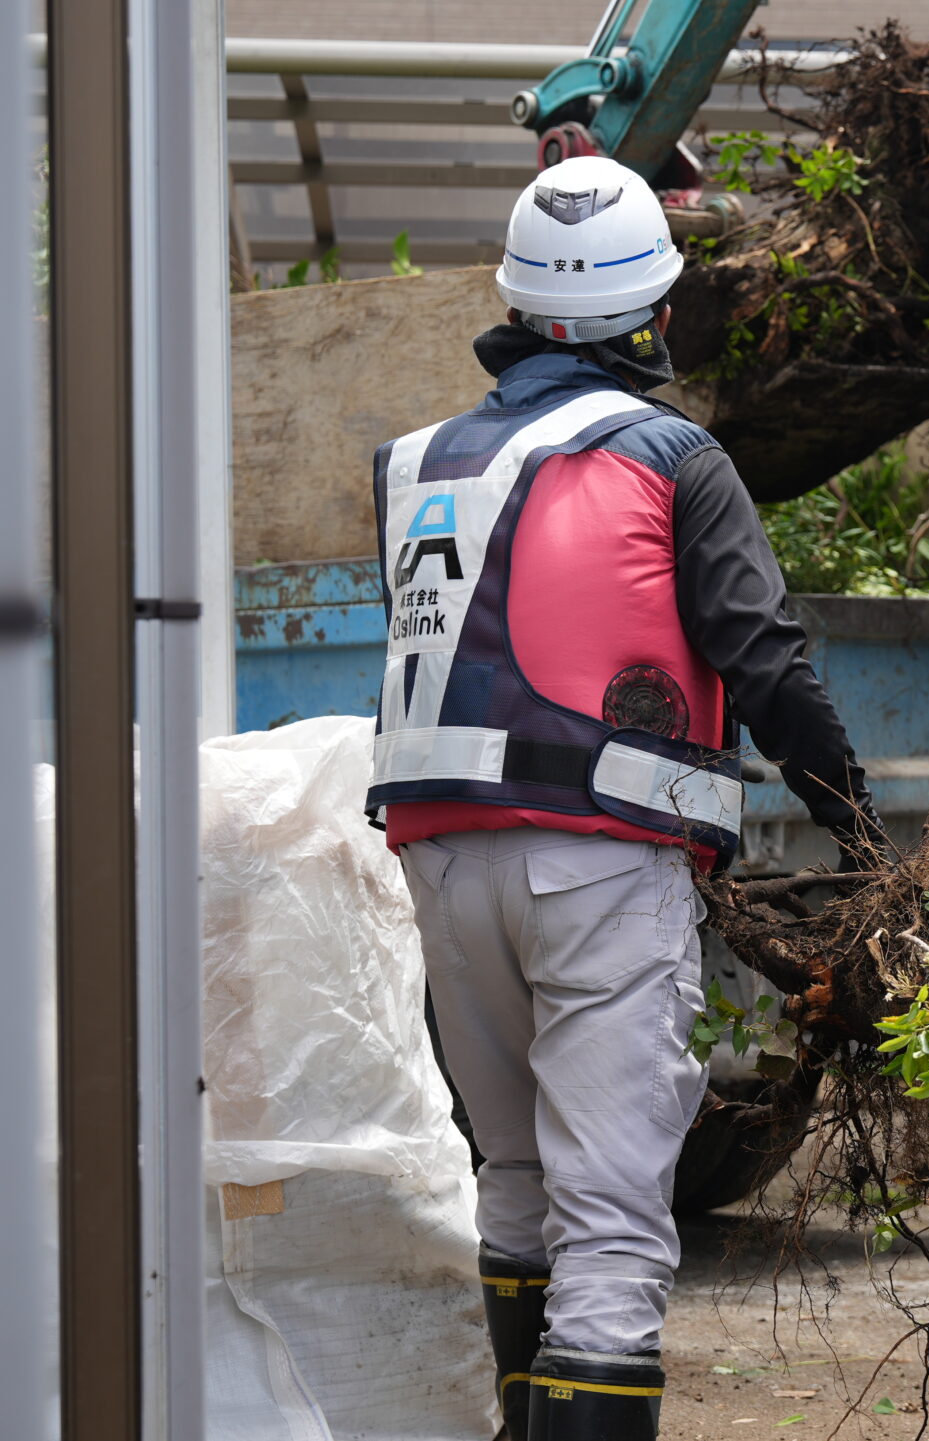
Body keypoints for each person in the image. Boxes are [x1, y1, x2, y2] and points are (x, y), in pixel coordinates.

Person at [370, 155, 885, 1441]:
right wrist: (863, 833)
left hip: (438, 859)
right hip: (595, 866)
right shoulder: (670, 454)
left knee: (518, 1181)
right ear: (651, 315)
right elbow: (764, 658)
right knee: (612, 1226)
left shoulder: (412, 462)